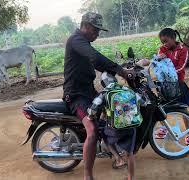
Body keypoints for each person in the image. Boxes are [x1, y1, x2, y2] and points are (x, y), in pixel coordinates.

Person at [63, 12, 134, 180]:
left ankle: (116, 155)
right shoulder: (76, 40)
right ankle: (88, 176)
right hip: (76, 96)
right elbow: (95, 57)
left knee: (108, 116)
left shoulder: (84, 42)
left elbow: (97, 62)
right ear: (86, 26)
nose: (97, 34)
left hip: (88, 91)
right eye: (96, 30)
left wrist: (119, 69)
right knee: (93, 131)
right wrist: (121, 70)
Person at [137, 28, 189, 145]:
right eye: (162, 42)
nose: (164, 44)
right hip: (164, 85)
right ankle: (165, 128)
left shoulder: (183, 50)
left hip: (178, 84)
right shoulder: (162, 49)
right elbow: (157, 65)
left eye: (166, 41)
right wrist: (157, 60)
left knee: (183, 109)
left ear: (173, 38)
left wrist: (165, 67)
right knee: (161, 108)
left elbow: (181, 68)